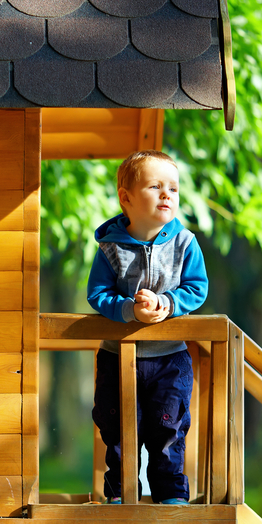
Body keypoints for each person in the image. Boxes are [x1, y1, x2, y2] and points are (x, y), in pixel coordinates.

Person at [86, 150, 208, 505]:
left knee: (169, 429)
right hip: (117, 356)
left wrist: (167, 303)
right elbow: (98, 294)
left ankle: (170, 495)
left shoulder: (184, 244)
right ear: (126, 198)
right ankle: (121, 494)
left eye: (174, 188)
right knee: (118, 429)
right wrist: (129, 310)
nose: (167, 194)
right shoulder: (110, 247)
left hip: (170, 359)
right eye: (155, 187)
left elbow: (197, 288)